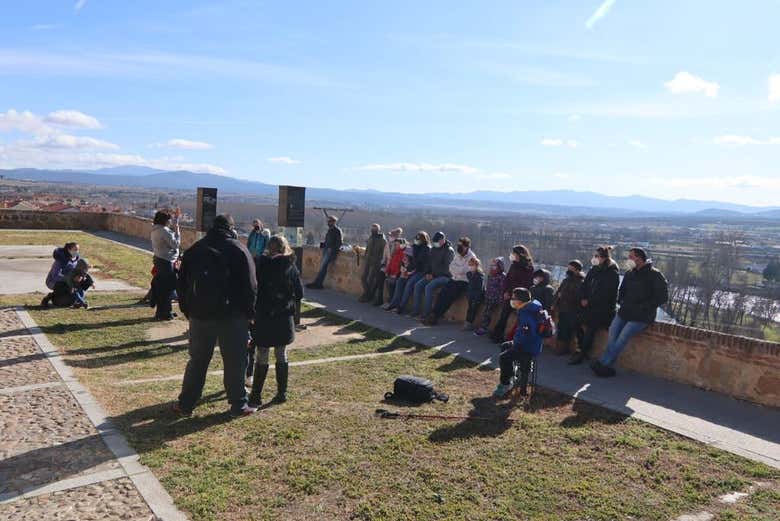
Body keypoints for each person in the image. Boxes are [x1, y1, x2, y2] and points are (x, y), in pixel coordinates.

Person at [175, 214, 258, 418]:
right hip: (232, 316)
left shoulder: (195, 249)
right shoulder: (239, 249)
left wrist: (188, 310)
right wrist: (250, 313)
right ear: (231, 228)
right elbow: (250, 286)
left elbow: (182, 283)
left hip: (199, 315)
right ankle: (238, 404)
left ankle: (185, 403)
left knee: (197, 361)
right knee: (235, 362)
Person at [591, 247, 669, 377]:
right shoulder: (629, 273)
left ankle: (603, 363)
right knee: (612, 334)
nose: (628, 259)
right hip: (625, 312)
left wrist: (644, 306)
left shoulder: (655, 275)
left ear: (639, 258)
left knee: (622, 338)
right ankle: (606, 365)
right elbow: (622, 291)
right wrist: (621, 301)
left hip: (642, 316)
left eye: (631, 257)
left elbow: (662, 297)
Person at [248, 235, 304, 407]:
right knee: (281, 354)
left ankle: (256, 396)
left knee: (262, 355)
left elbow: (253, 289)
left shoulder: (260, 265)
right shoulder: (290, 266)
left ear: (269, 248)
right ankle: (282, 393)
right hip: (283, 317)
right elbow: (299, 293)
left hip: (264, 316)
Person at [569, 246, 620, 365]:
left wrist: (589, 301)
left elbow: (607, 294)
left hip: (602, 309)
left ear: (604, 258)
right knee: (575, 322)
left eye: (597, 256)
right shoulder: (594, 269)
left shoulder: (612, 273)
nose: (594, 258)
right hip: (588, 305)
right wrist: (583, 298)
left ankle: (582, 354)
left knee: (590, 329)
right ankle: (581, 348)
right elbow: (585, 285)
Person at [493, 287, 545, 398]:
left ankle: (505, 384)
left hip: (528, 347)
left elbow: (529, 334)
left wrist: (517, 344)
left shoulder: (527, 313)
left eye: (513, 298)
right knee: (505, 346)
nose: (511, 300)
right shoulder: (530, 306)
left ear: (520, 301)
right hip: (527, 343)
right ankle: (511, 375)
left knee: (504, 357)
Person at [424, 237, 477, 325]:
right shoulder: (458, 254)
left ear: (466, 247)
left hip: (464, 282)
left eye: (461, 246)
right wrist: (458, 270)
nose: (459, 247)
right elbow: (451, 267)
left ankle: (435, 317)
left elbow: (464, 270)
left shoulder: (471, 257)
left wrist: (458, 270)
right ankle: (433, 314)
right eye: (458, 245)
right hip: (454, 279)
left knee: (449, 296)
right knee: (442, 293)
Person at [490, 245, 535, 343]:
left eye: (514, 253)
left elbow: (527, 284)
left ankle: (514, 339)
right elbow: (507, 279)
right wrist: (506, 292)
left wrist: (515, 294)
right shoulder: (513, 265)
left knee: (520, 319)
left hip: (520, 297)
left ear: (520, 254)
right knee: (504, 315)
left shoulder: (529, 267)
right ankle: (497, 335)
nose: (512, 255)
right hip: (509, 295)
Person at [409, 231, 454, 319]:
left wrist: (434, 275)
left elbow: (447, 268)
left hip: (445, 276)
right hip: (432, 274)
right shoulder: (433, 249)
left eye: (437, 241)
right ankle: (415, 310)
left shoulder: (448, 251)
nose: (435, 243)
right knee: (418, 285)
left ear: (442, 240)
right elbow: (429, 264)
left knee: (428, 287)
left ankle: (426, 313)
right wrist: (428, 273)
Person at [150, 209, 181, 321]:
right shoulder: (164, 231)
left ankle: (164, 311)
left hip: (159, 260)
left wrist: (176, 220)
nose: (170, 221)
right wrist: (177, 229)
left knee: (162, 288)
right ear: (165, 220)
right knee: (167, 288)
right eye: (169, 219)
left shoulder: (155, 230)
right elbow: (176, 244)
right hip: (166, 261)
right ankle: (165, 313)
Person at [552, 260, 585, 356]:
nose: (569, 270)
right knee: (561, 329)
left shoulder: (580, 282)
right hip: (563, 309)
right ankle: (560, 348)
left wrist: (563, 296)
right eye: (568, 268)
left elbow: (578, 297)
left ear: (577, 270)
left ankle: (568, 350)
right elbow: (558, 292)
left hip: (573, 310)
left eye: (571, 268)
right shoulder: (566, 280)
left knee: (569, 330)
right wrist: (554, 303)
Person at [394, 231, 431, 314]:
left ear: (423, 240)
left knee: (410, 283)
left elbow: (419, 262)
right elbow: (409, 259)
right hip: (414, 270)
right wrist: (407, 270)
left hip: (421, 271)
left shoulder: (426, 249)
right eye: (416, 238)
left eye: (418, 239)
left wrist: (409, 271)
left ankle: (404, 307)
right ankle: (394, 304)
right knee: (400, 281)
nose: (416, 240)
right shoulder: (415, 247)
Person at [307, 213, 343, 289]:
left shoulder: (337, 231)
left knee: (323, 267)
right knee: (322, 267)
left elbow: (339, 243)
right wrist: (323, 245)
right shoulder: (330, 230)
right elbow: (328, 241)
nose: (328, 223)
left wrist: (331, 249)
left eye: (329, 221)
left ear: (333, 222)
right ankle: (317, 283)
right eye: (328, 221)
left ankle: (318, 284)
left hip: (330, 252)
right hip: (326, 250)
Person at [370, 227, 403, 305]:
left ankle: (391, 301)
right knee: (379, 279)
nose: (390, 237)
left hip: (394, 268)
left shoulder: (398, 244)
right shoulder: (387, 244)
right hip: (387, 266)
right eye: (390, 235)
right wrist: (382, 264)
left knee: (391, 283)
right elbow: (384, 256)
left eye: (391, 236)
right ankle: (379, 299)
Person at [474, 257, 506, 336]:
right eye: (492, 265)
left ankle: (483, 327)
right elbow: (488, 286)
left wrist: (500, 299)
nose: (493, 267)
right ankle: (482, 326)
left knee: (487, 312)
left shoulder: (502, 276)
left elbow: (502, 288)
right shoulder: (490, 275)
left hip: (496, 298)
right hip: (488, 297)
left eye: (495, 265)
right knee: (485, 311)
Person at [42, 242, 80, 306]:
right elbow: (55, 276)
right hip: (53, 282)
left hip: (67, 281)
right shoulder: (60, 260)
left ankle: (77, 300)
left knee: (79, 285)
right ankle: (50, 296)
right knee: (68, 288)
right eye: (75, 250)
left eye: (78, 250)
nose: (77, 252)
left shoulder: (76, 260)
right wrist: (69, 279)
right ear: (69, 250)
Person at [359, 224, 387, 303]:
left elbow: (383, 253)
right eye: (372, 229)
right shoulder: (371, 237)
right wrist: (365, 256)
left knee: (370, 280)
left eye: (374, 229)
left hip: (376, 262)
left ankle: (367, 296)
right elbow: (367, 248)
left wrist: (379, 261)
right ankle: (368, 294)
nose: (373, 231)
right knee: (363, 278)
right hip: (368, 260)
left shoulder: (382, 240)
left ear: (378, 230)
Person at [383, 244, 414, 311]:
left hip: (411, 278)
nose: (405, 257)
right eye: (405, 255)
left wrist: (406, 271)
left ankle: (401, 307)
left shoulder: (413, 264)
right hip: (403, 276)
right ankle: (393, 304)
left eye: (407, 256)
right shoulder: (403, 261)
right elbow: (402, 272)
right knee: (398, 281)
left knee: (407, 285)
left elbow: (410, 272)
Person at [463, 257, 485, 330]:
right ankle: (467, 323)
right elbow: (469, 285)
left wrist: (477, 297)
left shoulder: (480, 275)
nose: (470, 266)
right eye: (469, 265)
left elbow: (480, 288)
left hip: (477, 296)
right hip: (470, 295)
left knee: (473, 310)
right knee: (470, 309)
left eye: (472, 265)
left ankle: (469, 323)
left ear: (477, 266)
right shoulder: (469, 274)